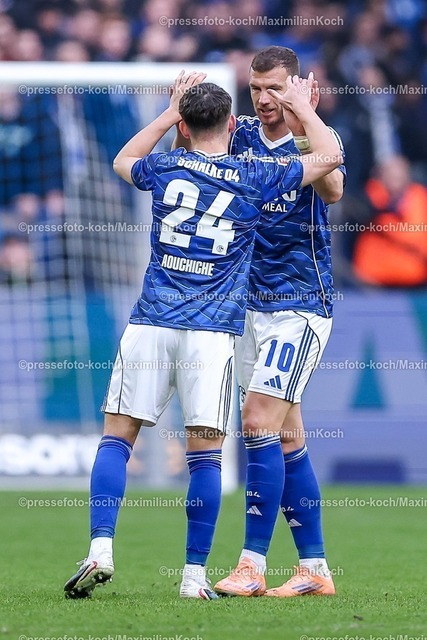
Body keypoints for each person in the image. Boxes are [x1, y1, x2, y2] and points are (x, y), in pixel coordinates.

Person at [63, 70, 342, 600]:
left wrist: (170, 112)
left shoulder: (165, 166)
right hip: (213, 331)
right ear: (233, 124)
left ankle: (101, 549)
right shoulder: (251, 173)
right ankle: (195, 578)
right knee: (209, 454)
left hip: (152, 321)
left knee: (117, 439)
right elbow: (329, 159)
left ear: (184, 127)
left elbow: (123, 160)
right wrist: (306, 107)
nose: (265, 99)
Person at [213, 46, 346, 597]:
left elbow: (333, 188)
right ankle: (315, 569)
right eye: (256, 89)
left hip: (300, 306)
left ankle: (251, 565)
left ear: (294, 86)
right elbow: (190, 156)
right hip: (248, 307)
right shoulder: (239, 135)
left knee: (256, 418)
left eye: (275, 88)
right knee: (287, 435)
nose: (264, 99)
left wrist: (305, 114)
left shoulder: (316, 136)